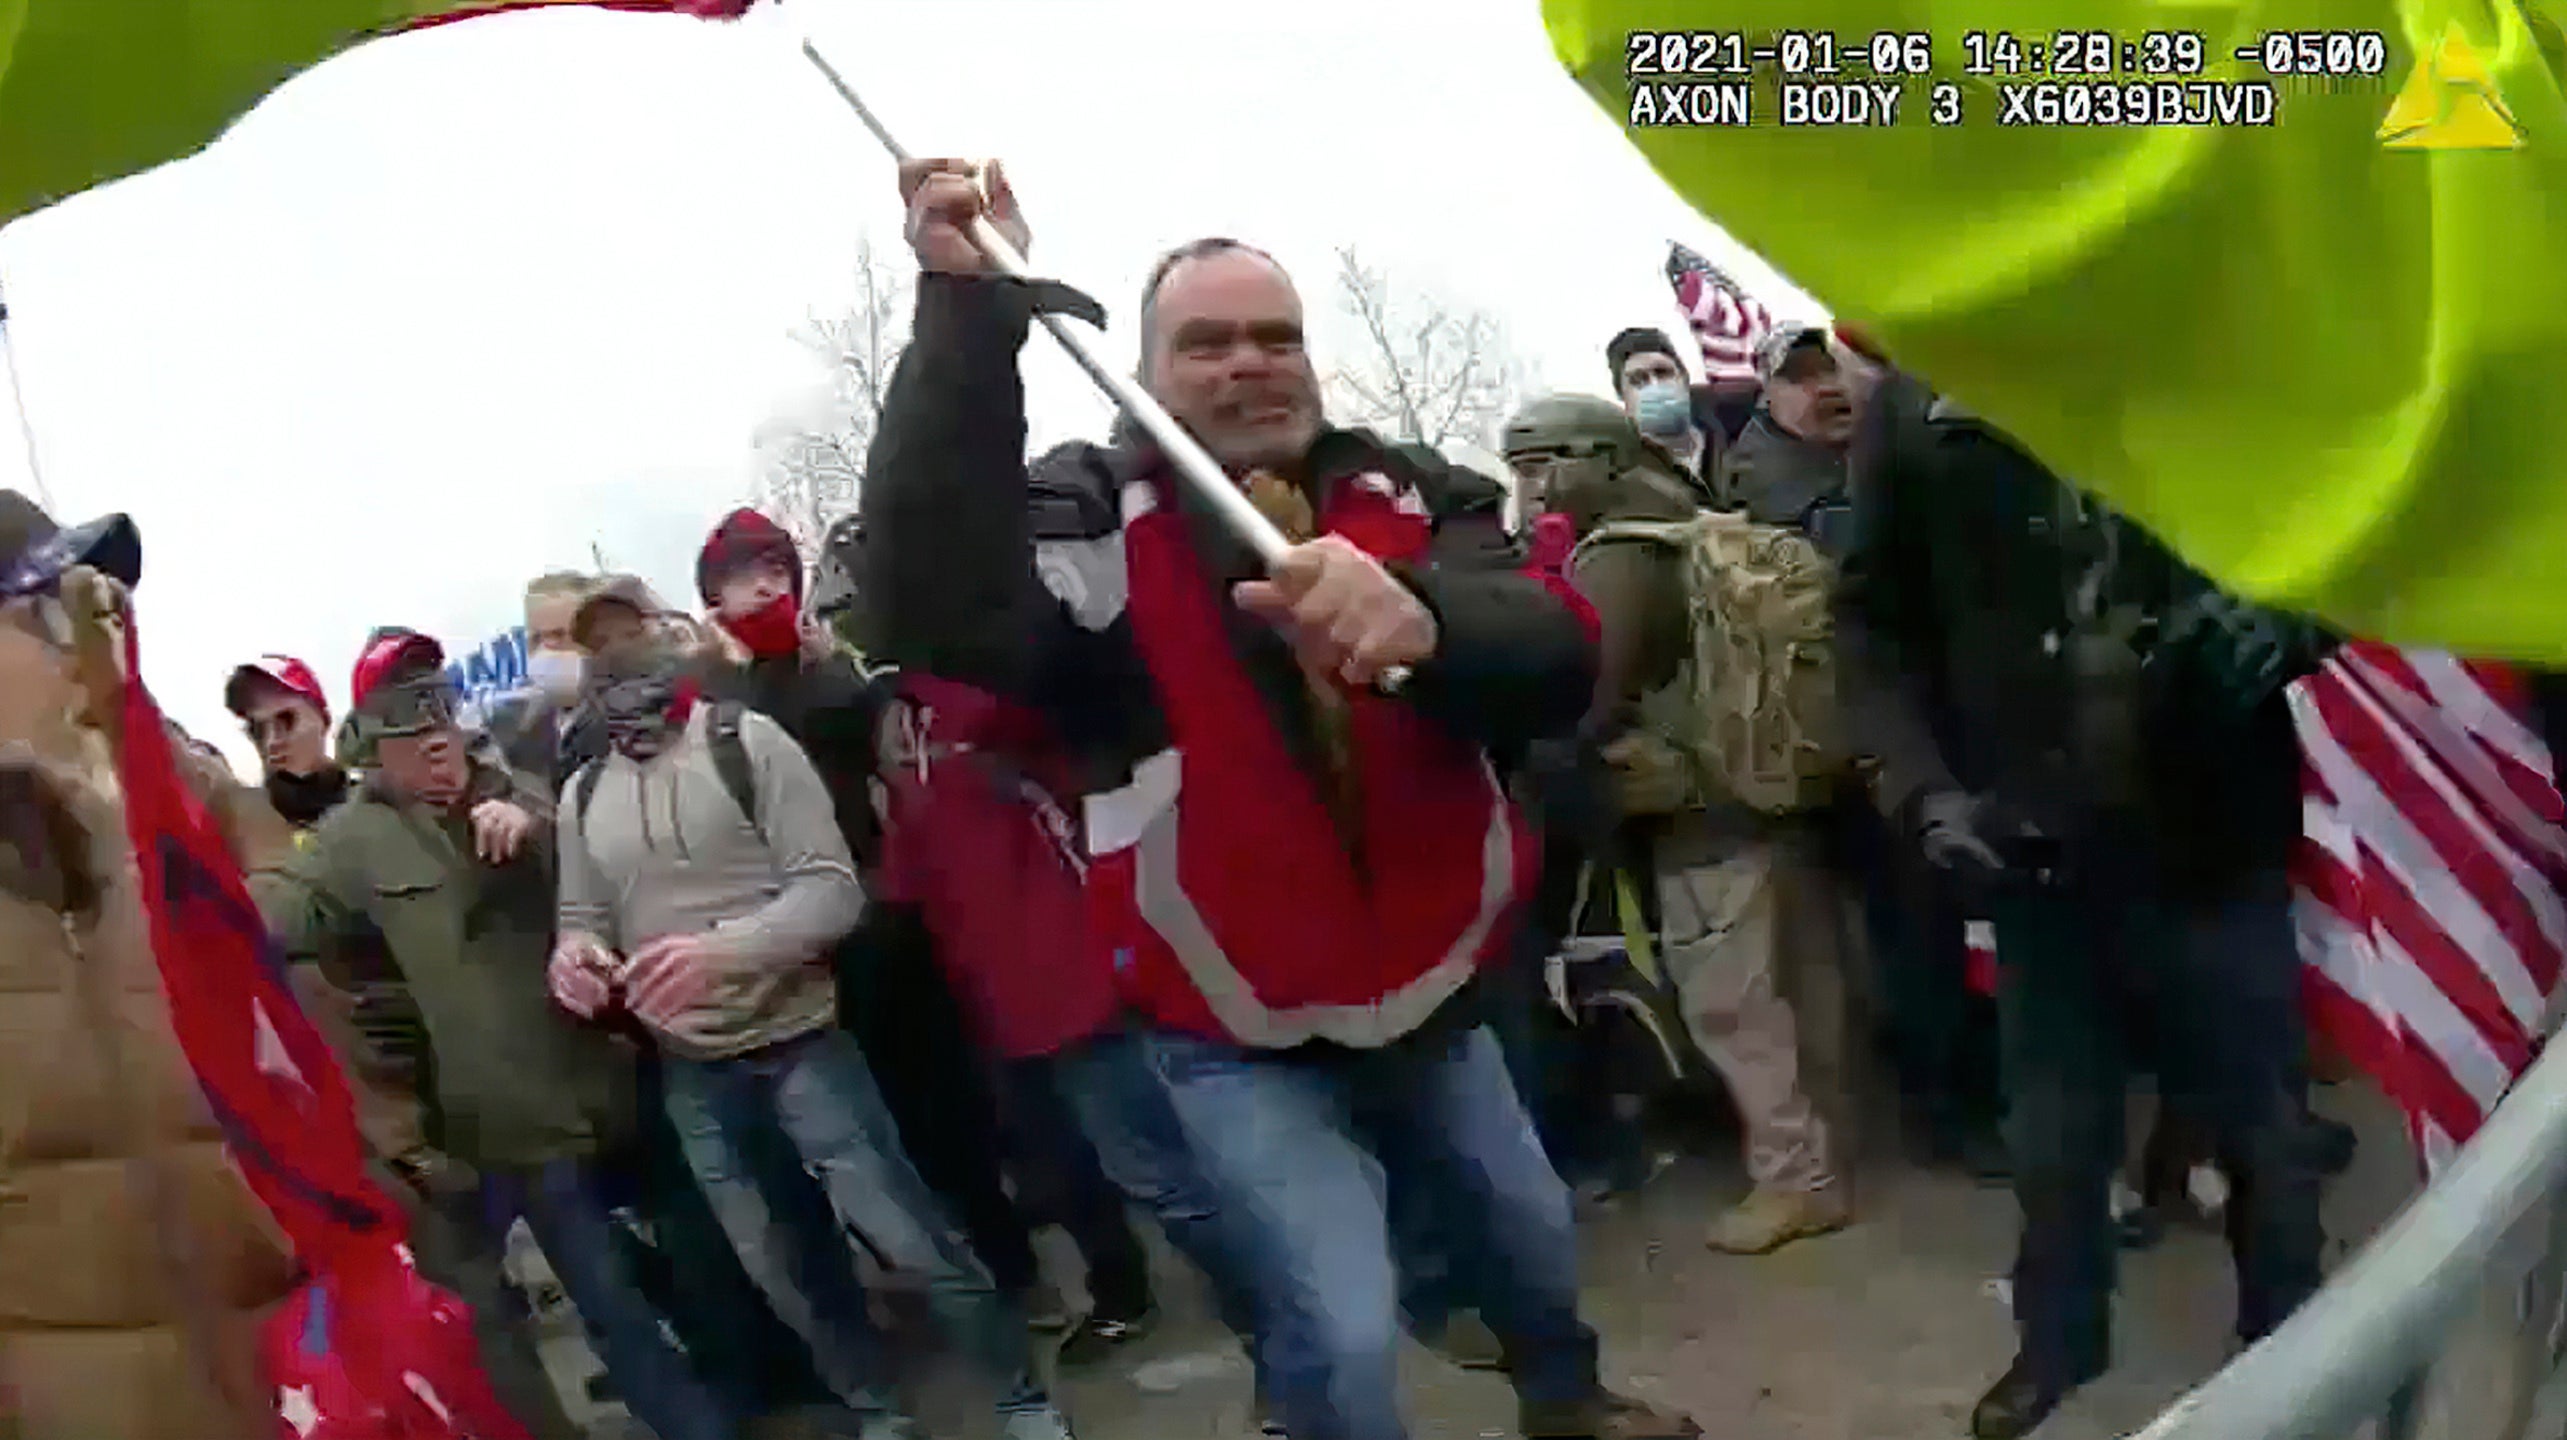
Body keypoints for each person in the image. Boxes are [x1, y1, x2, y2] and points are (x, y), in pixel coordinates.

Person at [864, 156, 1698, 1440]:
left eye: (1276, 337)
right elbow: (924, 594)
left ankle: (1566, 1399)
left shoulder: (1408, 492)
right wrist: (967, 315)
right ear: (1141, 365)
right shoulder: (1089, 526)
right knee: (1344, 1325)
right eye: (1205, 345)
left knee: (1531, 1235)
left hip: (1433, 988)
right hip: (1227, 1026)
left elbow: (1562, 646)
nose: (1250, 365)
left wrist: (1424, 620)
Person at [1840, 388, 2324, 1438]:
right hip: (2037, 858)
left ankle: (2293, 1350)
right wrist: (1920, 792)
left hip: (2213, 838)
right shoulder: (1912, 410)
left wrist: (2295, 615)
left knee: (2264, 1130)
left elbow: (2342, 504)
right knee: (2054, 1138)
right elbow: (1870, 626)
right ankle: (2057, 1344)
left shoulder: (2189, 336)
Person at [550, 631, 1077, 1440]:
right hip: (692, 1073)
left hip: (801, 1046)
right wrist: (575, 955)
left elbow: (832, 893)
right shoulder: (583, 793)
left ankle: (1020, 1397)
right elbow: (582, 915)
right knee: (785, 1270)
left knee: (911, 1240)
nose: (622, 697)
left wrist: (720, 952)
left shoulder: (744, 743)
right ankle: (875, 1412)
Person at [248, 655, 737, 1440]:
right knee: (610, 1303)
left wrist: (538, 829)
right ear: (375, 750)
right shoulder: (352, 841)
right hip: (511, 1118)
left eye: (439, 729)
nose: (433, 750)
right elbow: (279, 916)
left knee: (707, 1265)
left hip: (610, 1078)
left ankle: (772, 1399)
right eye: (409, 738)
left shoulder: (516, 785)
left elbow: (611, 869)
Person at [693, 505, 1072, 1330]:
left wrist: (824, 664)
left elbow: (883, 745)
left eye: (774, 569)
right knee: (864, 1140)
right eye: (740, 575)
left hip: (882, 923)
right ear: (711, 596)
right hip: (789, 943)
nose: (763, 586)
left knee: (945, 1108)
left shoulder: (835, 669)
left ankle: (1011, 1269)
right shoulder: (711, 700)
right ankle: (940, 1284)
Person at [1503, 393, 1850, 1256]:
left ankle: (1793, 1181)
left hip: (1695, 812)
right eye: (1521, 468)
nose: (1533, 488)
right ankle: (1826, 1154)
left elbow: (1590, 696)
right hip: (1771, 792)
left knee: (1732, 1007)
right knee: (1805, 988)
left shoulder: (1617, 557)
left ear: (1605, 458)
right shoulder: (1689, 523)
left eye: (1545, 463)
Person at [0, 491, 299, 1440]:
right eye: (48, 609)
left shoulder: (178, 788)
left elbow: (303, 1005)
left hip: (280, 1359)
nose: (89, 636)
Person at [1716, 325, 1860, 553]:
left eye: (1835, 369)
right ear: (1769, 397)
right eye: (1800, 377)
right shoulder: (1760, 472)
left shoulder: (1893, 446)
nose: (1828, 387)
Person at [222, 653, 352, 827]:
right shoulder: (246, 825)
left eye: (286, 720)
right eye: (257, 729)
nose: (271, 742)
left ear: (325, 720)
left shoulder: (379, 809)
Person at [1603, 326, 1725, 490]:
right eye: (1638, 380)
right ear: (1622, 396)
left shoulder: (1732, 447)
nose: (1655, 386)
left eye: (1663, 373)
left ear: (1684, 379)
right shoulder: (1617, 474)